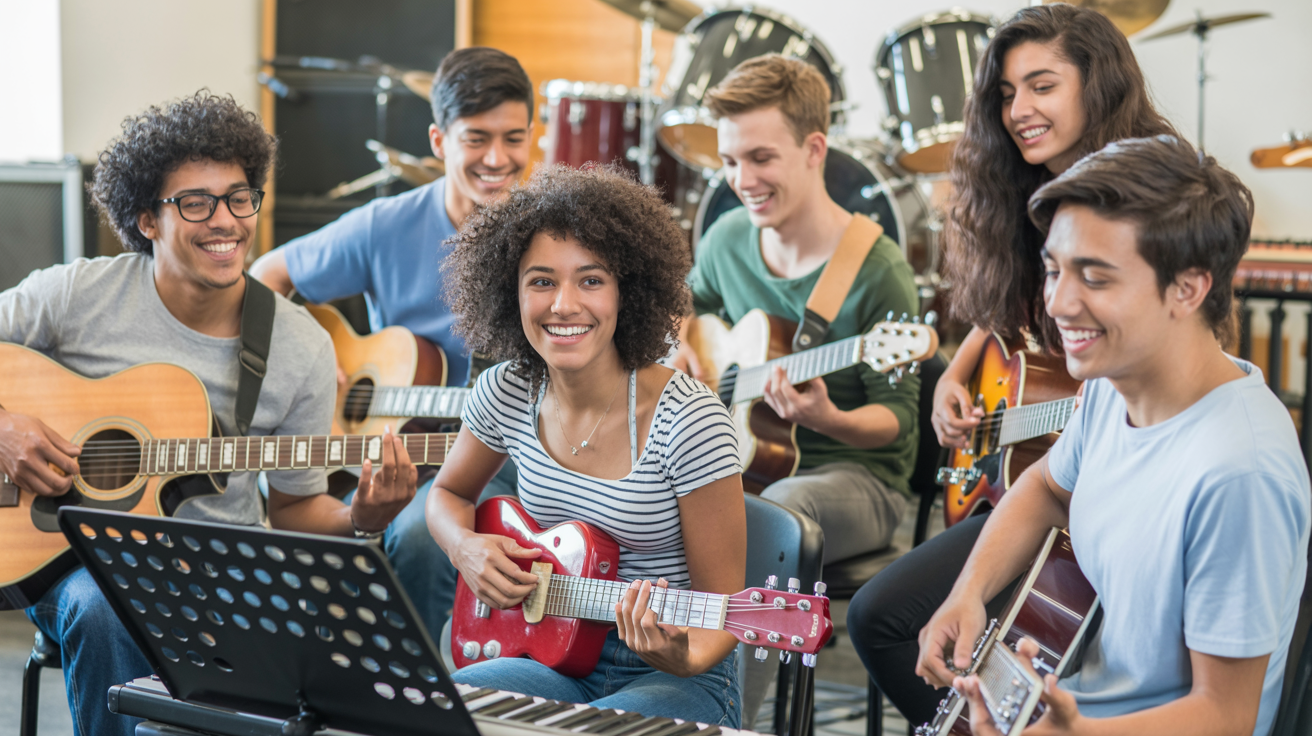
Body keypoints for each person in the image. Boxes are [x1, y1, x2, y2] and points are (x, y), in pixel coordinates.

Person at [856, 135, 1310, 735]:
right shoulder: (1111, 384)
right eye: (1053, 271)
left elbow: (1225, 715)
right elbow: (1045, 485)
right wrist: (969, 591)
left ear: (1189, 287)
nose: (1060, 303)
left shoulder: (1239, 470)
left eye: (1094, 278)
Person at [0, 92, 416, 736]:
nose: (225, 221)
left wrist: (364, 517)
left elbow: (294, 509)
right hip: (75, 566)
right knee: (102, 605)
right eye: (195, 202)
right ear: (146, 219)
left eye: (239, 197)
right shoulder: (77, 294)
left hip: (222, 576)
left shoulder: (298, 343)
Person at [426, 164, 747, 727]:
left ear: (629, 292)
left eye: (591, 280)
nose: (564, 305)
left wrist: (682, 652)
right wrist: (463, 547)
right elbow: (447, 493)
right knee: (449, 711)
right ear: (512, 293)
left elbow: (723, 609)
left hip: (668, 673)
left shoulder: (690, 419)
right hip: (546, 653)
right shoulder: (506, 390)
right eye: (542, 281)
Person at [250, 46, 532, 636]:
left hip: (507, 450)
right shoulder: (386, 225)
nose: (497, 158)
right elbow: (265, 277)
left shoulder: (552, 230)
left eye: (514, 138)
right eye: (476, 138)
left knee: (421, 536)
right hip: (397, 448)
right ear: (438, 141)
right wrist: (301, 356)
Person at [673, 54, 919, 565]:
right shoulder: (727, 237)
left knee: (773, 512)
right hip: (744, 462)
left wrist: (827, 419)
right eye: (730, 161)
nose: (742, 180)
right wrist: (679, 343)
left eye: (761, 158)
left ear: (814, 149)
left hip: (855, 478)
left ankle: (731, 645)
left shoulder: (880, 269)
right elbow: (681, 307)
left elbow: (897, 419)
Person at [929, 4, 1178, 451]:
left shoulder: (1156, 193)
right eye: (1006, 95)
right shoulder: (1025, 183)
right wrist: (954, 372)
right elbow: (1015, 295)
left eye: (1042, 87)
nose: (1018, 111)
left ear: (1098, 89)